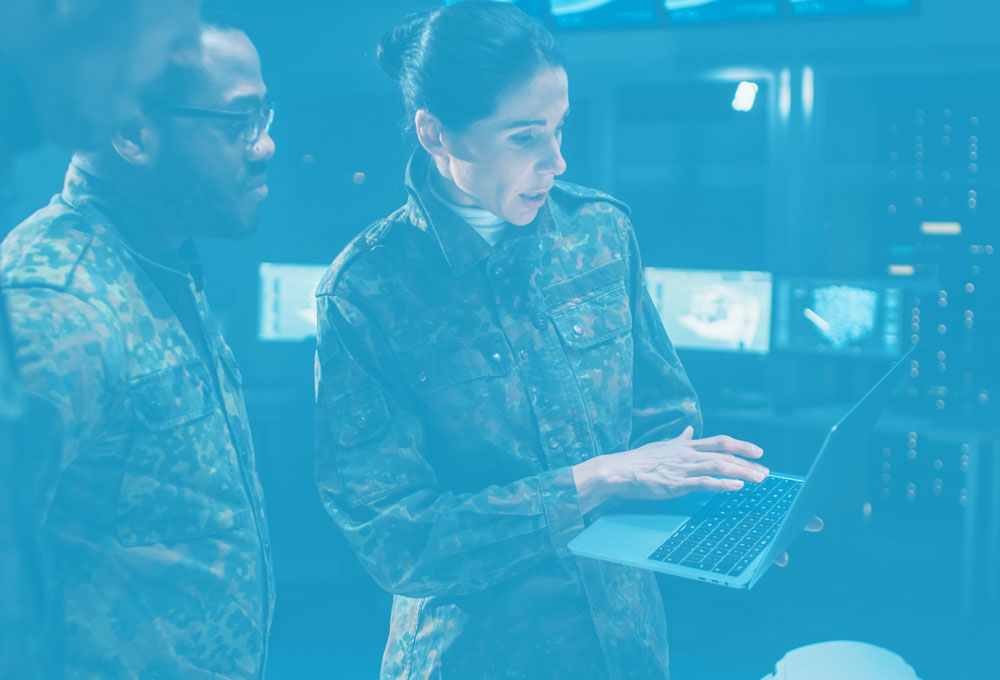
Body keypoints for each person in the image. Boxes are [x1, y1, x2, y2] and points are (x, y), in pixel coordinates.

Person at [314, 3, 817, 678]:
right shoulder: (367, 290)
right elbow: (399, 542)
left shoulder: (601, 232)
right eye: (524, 138)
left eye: (558, 128)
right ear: (435, 134)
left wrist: (718, 511)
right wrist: (592, 480)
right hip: (476, 657)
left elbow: (662, 426)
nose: (556, 160)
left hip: (628, 647)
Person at [0, 16, 276, 678]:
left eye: (266, 116)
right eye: (239, 122)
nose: (264, 146)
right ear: (130, 133)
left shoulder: (158, 260)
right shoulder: (62, 304)